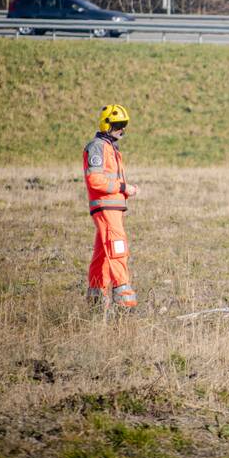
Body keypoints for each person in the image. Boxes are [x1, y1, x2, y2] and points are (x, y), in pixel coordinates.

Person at [83, 104, 140, 309]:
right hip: (105, 207)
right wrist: (123, 187)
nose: (121, 129)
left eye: (123, 125)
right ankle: (124, 298)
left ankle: (96, 298)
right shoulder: (97, 146)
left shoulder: (111, 149)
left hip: (113, 208)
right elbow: (95, 181)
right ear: (106, 125)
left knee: (102, 254)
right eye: (117, 125)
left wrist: (124, 191)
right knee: (117, 248)